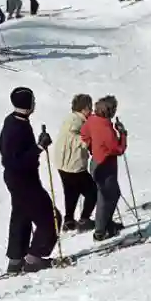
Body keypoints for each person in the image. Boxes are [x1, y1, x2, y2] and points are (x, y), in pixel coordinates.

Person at [0, 87, 59, 274]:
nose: (35, 103)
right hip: (23, 180)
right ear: (28, 104)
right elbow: (15, 160)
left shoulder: (13, 120)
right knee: (50, 217)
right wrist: (39, 147)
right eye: (33, 100)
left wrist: (36, 147)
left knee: (21, 216)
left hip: (18, 179)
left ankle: (16, 260)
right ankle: (34, 259)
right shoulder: (17, 127)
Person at [80, 96, 127, 242]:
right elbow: (118, 149)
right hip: (106, 165)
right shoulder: (106, 128)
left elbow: (84, 133)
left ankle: (106, 224)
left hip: (96, 162)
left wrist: (91, 147)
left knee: (108, 195)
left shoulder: (92, 120)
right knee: (107, 196)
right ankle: (101, 231)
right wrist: (123, 134)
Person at [55, 94, 97, 232]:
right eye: (89, 107)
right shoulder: (77, 122)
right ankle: (84, 219)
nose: (91, 110)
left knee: (71, 191)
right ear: (84, 108)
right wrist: (90, 140)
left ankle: (68, 220)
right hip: (74, 164)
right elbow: (76, 138)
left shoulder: (70, 118)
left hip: (62, 164)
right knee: (92, 192)